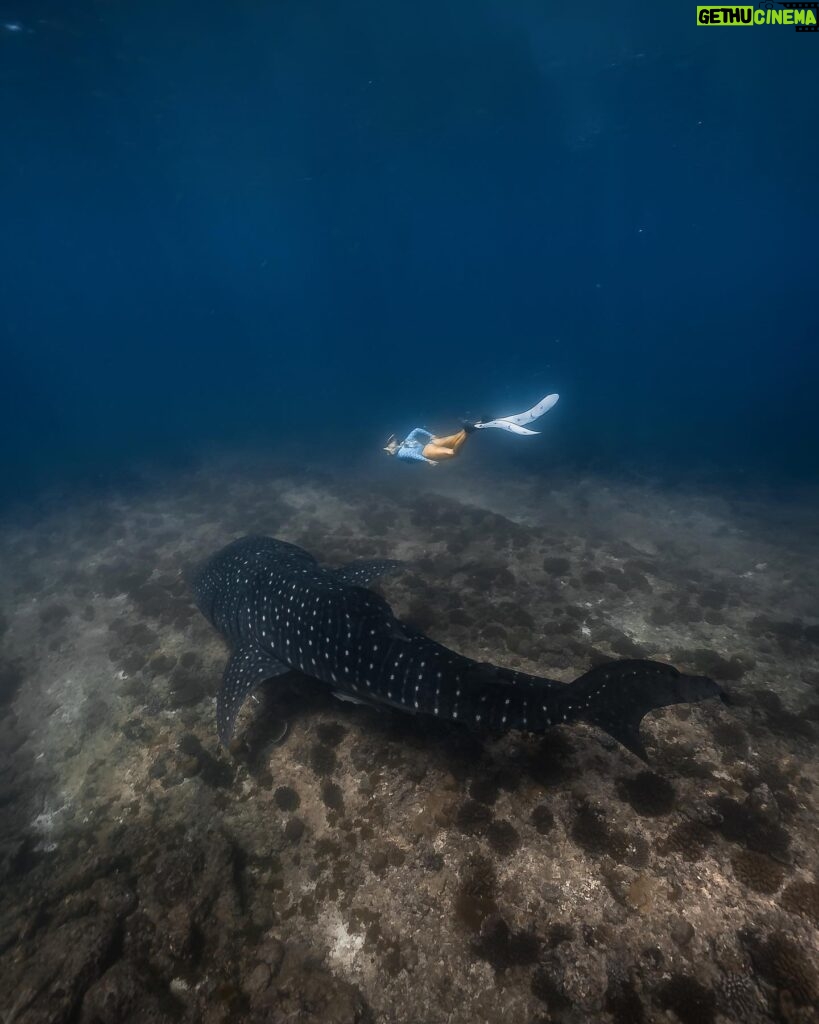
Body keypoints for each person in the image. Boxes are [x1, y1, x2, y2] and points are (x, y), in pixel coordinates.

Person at [383, 393, 559, 466]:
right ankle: (477, 423)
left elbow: (412, 456)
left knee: (453, 453)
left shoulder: (400, 454)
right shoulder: (406, 440)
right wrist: (432, 435)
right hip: (431, 442)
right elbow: (415, 429)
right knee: (455, 436)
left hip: (428, 451)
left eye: (388, 448)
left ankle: (469, 430)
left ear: (393, 446)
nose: (388, 450)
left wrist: (426, 461)